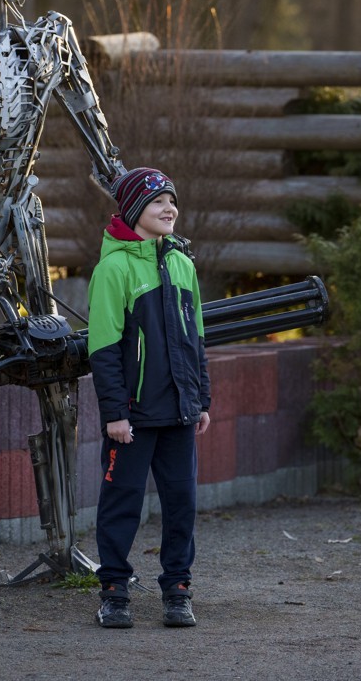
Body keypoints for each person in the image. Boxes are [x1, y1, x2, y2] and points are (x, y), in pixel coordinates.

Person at [87, 167, 212, 629]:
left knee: (182, 505)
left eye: (172, 202)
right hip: (133, 419)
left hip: (179, 413)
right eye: (159, 202)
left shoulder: (182, 263)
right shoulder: (113, 269)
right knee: (121, 504)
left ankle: (177, 590)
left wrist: (201, 401)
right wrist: (115, 414)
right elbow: (102, 348)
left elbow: (195, 340)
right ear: (136, 210)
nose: (169, 209)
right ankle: (115, 592)